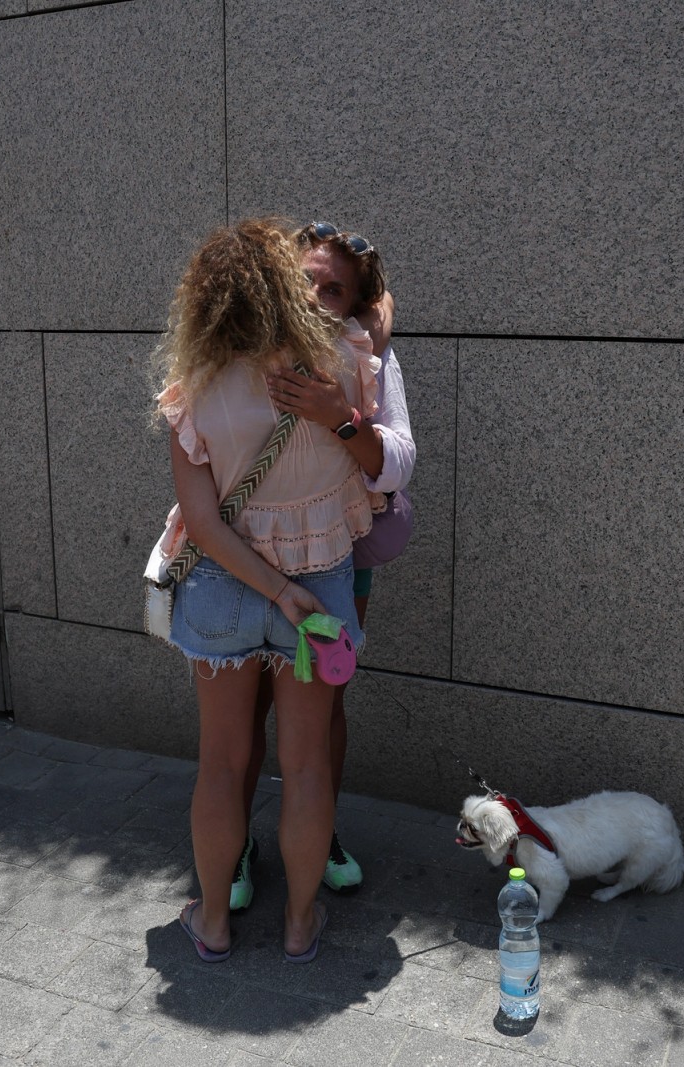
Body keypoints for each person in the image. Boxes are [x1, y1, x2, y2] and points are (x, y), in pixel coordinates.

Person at [152, 218, 385, 964]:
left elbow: (200, 522)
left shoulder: (195, 388)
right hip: (321, 589)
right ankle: (299, 923)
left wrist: (273, 590)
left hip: (222, 585)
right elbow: (374, 351)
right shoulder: (344, 363)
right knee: (308, 763)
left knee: (222, 761)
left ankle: (214, 921)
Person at [227, 221, 416, 910]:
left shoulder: (365, 355)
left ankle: (319, 833)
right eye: (303, 280)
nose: (313, 296)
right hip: (241, 558)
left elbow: (398, 463)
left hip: (335, 553)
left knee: (323, 702)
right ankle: (233, 842)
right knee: (245, 707)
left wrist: (342, 415)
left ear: (353, 304)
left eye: (332, 289)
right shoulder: (238, 340)